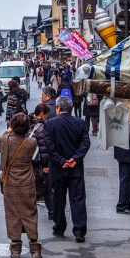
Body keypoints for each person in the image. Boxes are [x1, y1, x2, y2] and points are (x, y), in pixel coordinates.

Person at [43, 96, 91, 242]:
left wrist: (61, 160)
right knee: (77, 199)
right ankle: (79, 230)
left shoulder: (50, 123)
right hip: (75, 169)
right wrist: (75, 159)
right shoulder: (80, 123)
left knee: (58, 198)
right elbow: (85, 143)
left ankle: (59, 226)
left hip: (58, 168)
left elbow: (49, 145)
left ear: (58, 108)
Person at [0, 113, 41, 258]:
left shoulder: (5, 140)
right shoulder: (31, 142)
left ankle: (15, 247)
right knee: (30, 213)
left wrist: (8, 130)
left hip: (11, 183)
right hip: (27, 182)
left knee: (13, 213)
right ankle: (35, 248)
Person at [29, 103, 53, 219]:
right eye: (47, 114)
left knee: (33, 186)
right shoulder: (42, 127)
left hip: (29, 161)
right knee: (47, 187)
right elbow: (43, 149)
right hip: (39, 162)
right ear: (42, 114)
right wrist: (45, 165)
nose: (48, 116)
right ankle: (52, 212)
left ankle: (29, 212)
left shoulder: (28, 123)